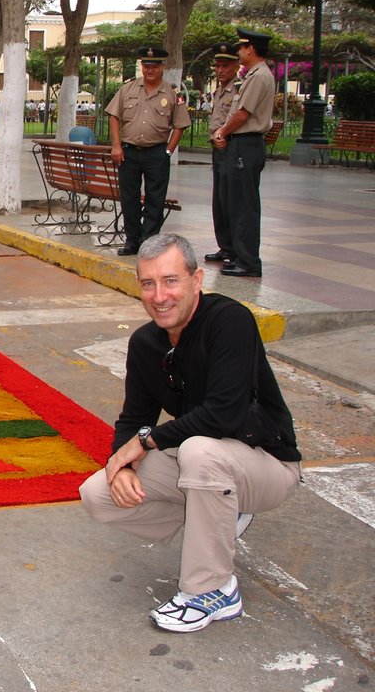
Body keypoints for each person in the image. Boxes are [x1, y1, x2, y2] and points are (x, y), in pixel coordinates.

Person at [79, 233, 301, 633]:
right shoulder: (146, 343)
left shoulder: (229, 321)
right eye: (148, 283)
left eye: (171, 281)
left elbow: (223, 414)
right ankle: (213, 515)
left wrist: (147, 442)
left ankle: (213, 589)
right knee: (99, 493)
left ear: (197, 280)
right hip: (210, 466)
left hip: (267, 464)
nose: (159, 296)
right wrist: (122, 464)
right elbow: (133, 419)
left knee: (198, 449)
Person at [105, 47, 191, 256]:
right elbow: (113, 116)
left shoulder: (172, 93)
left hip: (156, 153)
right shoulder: (128, 89)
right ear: (141, 66)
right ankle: (132, 240)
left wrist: (168, 152)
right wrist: (116, 145)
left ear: (163, 67)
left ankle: (149, 241)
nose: (149, 70)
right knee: (129, 198)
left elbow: (180, 124)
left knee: (155, 200)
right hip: (129, 152)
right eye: (146, 66)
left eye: (154, 66)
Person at [211, 28, 276, 278]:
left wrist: (222, 132)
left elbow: (242, 114)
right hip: (240, 144)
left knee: (244, 206)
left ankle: (248, 261)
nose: (239, 52)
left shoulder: (259, 76)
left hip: (245, 145)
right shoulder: (254, 75)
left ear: (251, 49)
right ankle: (238, 254)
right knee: (233, 203)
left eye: (241, 48)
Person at [204, 42, 241, 268]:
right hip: (217, 149)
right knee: (219, 201)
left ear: (236, 66)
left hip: (230, 146)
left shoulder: (239, 89)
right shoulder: (219, 90)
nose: (219, 70)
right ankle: (225, 246)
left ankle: (235, 249)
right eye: (217, 66)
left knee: (231, 201)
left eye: (225, 66)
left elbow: (236, 118)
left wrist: (222, 135)